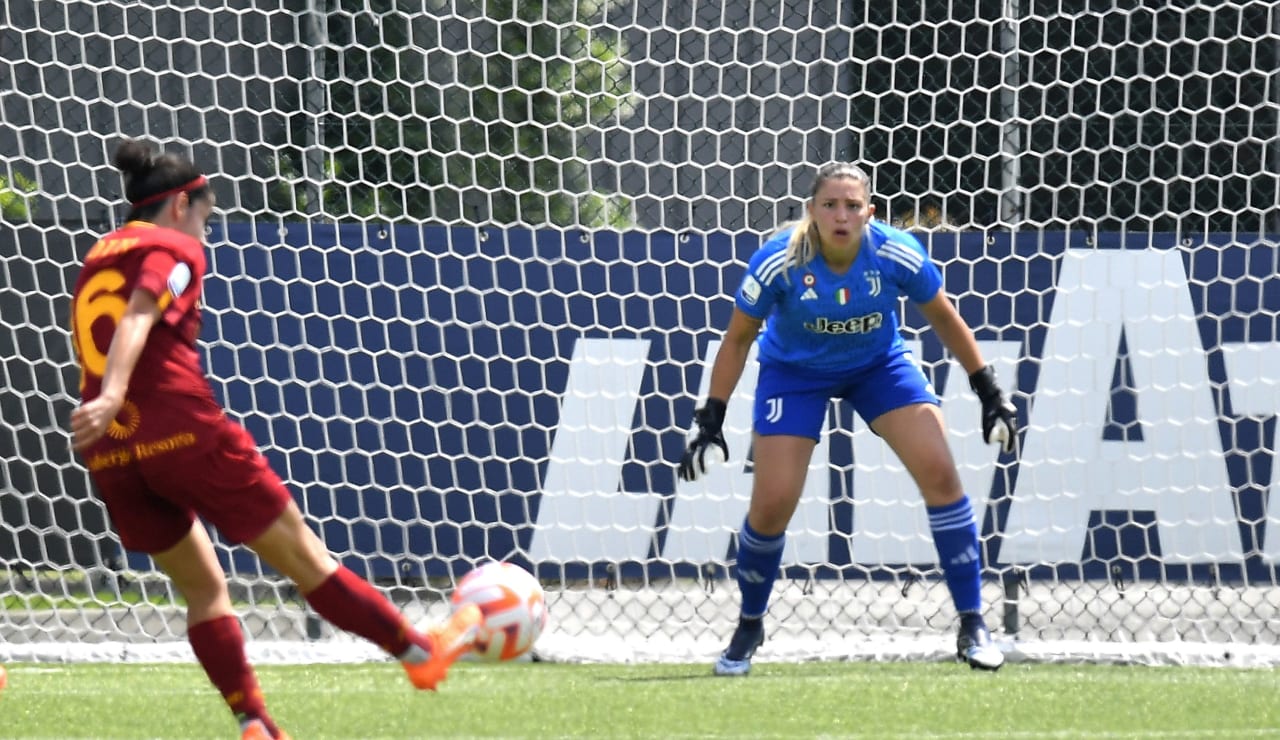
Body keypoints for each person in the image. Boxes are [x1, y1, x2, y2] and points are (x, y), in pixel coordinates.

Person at [69, 139, 482, 740]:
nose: (205, 235)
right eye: (206, 218)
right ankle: (419, 653)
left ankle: (254, 722)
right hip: (180, 430)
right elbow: (138, 313)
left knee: (205, 589)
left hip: (111, 450)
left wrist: (105, 404)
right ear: (183, 205)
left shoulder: (100, 253)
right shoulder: (174, 246)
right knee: (307, 562)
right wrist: (113, 393)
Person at [678, 162, 1017, 675]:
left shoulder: (894, 251)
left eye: (852, 206)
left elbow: (944, 315)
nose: (841, 215)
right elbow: (738, 338)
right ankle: (750, 623)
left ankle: (973, 624)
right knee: (771, 507)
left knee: (942, 474)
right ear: (811, 211)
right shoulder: (779, 262)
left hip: (878, 366)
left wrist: (988, 389)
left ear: (870, 213)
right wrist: (712, 417)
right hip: (795, 375)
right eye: (830, 205)